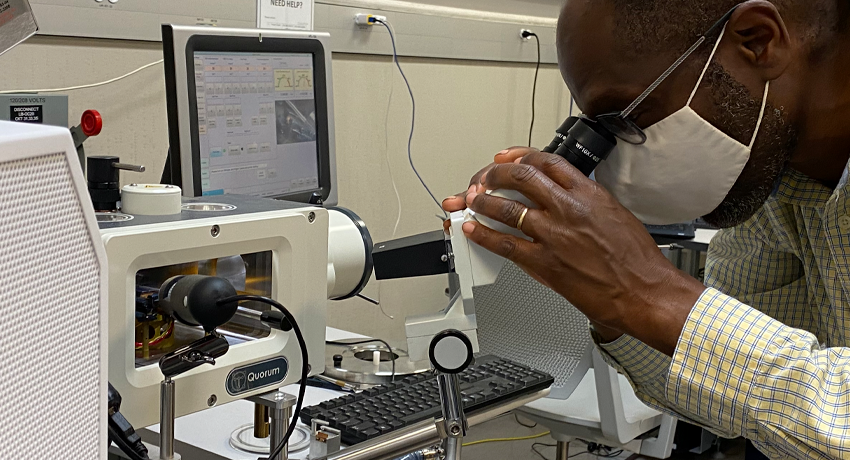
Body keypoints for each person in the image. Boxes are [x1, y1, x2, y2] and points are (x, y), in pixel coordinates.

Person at [442, 1, 850, 459]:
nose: (615, 157)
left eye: (623, 119)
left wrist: (651, 292)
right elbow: (733, 394)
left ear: (758, 41)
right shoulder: (774, 185)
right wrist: (605, 298)